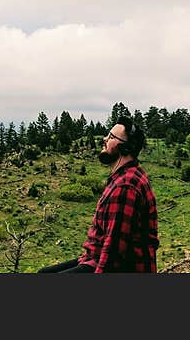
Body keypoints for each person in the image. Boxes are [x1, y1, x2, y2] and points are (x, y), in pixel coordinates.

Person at [39, 116, 159, 273]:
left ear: (125, 147)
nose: (104, 139)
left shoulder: (125, 186)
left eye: (111, 137)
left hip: (122, 266)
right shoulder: (125, 176)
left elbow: (115, 252)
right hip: (94, 257)